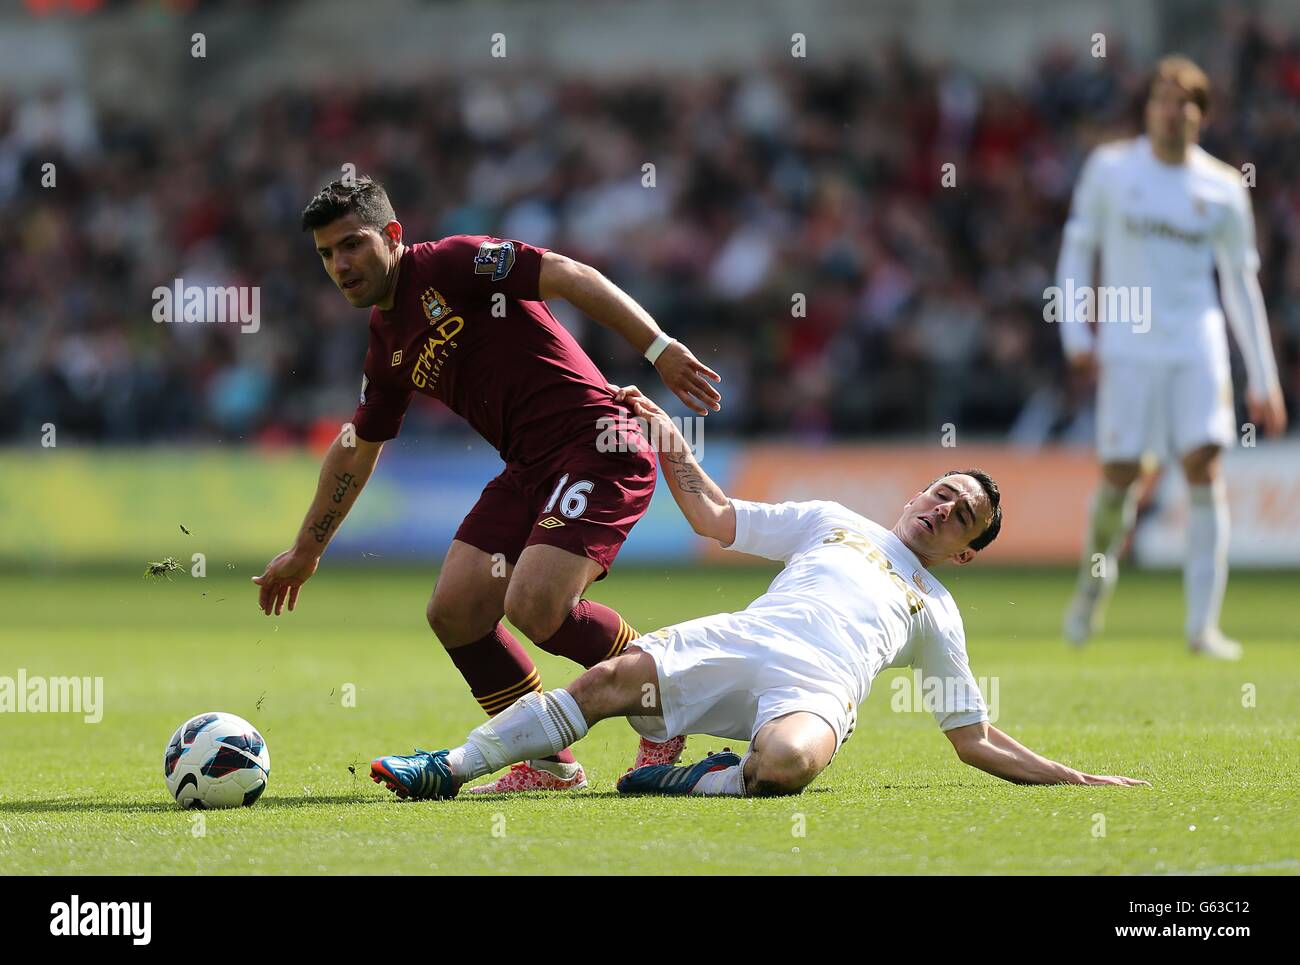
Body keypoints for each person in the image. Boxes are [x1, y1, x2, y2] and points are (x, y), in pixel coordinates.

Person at [369, 387, 1149, 799]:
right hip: (737, 639)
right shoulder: (833, 520)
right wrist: (671, 442)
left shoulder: (938, 611)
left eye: (963, 516)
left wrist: (1074, 777)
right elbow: (715, 517)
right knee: (605, 682)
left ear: (966, 553)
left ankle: (686, 778)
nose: (943, 508)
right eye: (943, 492)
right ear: (922, 490)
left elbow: (973, 738)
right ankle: (451, 765)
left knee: (788, 767)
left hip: (812, 692)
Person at [254, 176, 722, 792]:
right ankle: (549, 762)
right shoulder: (385, 344)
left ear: (392, 236)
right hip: (528, 469)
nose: (340, 265)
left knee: (534, 606)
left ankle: (665, 702)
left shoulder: (451, 263)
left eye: (352, 245)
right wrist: (307, 550)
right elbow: (356, 450)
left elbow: (566, 274)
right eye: (326, 255)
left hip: (596, 446)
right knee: (456, 612)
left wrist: (657, 348)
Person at [1056, 56, 1287, 659]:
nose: (1171, 109)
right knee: (1120, 478)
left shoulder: (1223, 187)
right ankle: (1091, 588)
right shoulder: (1110, 170)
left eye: (1185, 101)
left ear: (1201, 116)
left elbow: (1240, 284)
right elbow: (1079, 250)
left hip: (1195, 345)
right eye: (1161, 97)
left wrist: (1263, 376)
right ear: (1147, 109)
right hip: (1128, 346)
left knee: (1204, 470)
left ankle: (1201, 627)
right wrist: (1076, 336)